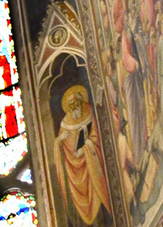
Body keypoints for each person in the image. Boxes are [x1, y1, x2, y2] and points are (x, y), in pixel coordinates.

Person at [54, 85, 111, 225]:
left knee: (98, 197)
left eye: (76, 103)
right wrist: (59, 141)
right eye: (71, 105)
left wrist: (85, 148)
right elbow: (60, 148)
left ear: (81, 101)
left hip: (92, 166)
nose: (75, 107)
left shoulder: (89, 111)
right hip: (75, 173)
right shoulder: (65, 123)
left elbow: (97, 136)